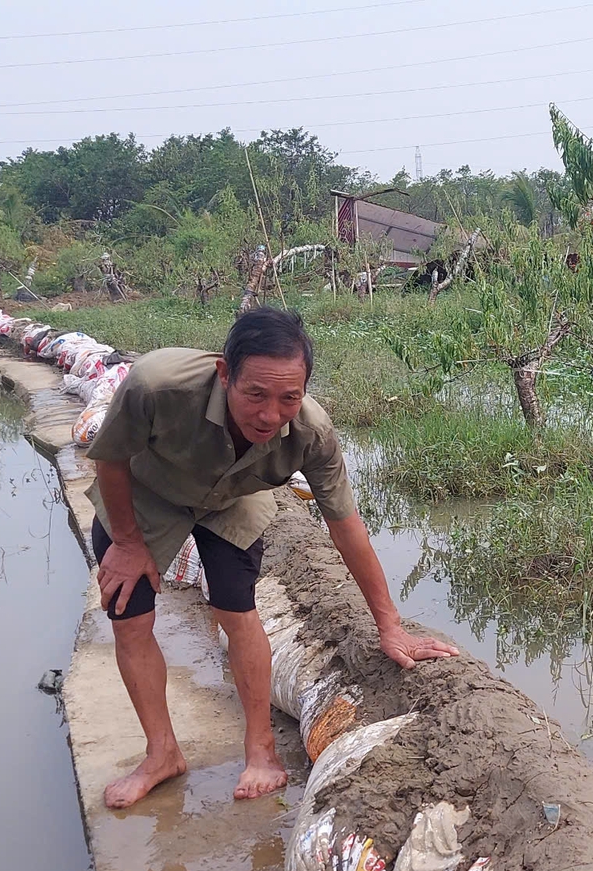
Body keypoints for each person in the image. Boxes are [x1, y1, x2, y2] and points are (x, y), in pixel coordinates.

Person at [83, 306, 458, 809]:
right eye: (254, 394)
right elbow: (110, 456)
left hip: (234, 498)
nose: (268, 415)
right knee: (129, 618)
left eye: (288, 398)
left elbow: (345, 524)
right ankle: (162, 754)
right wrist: (127, 542)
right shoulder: (156, 385)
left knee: (238, 611)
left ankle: (261, 750)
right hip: (147, 493)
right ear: (224, 373)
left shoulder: (312, 432)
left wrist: (390, 626)